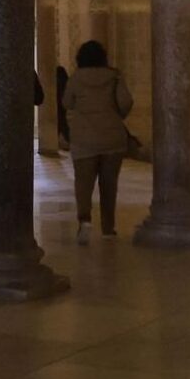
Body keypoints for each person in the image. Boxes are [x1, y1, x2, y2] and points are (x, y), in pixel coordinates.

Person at [62, 40, 132, 241]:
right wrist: (115, 117)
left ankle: (84, 222)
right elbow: (126, 102)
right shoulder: (114, 76)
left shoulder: (76, 78)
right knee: (109, 185)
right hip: (112, 138)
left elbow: (67, 102)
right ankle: (108, 228)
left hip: (84, 139)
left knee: (83, 184)